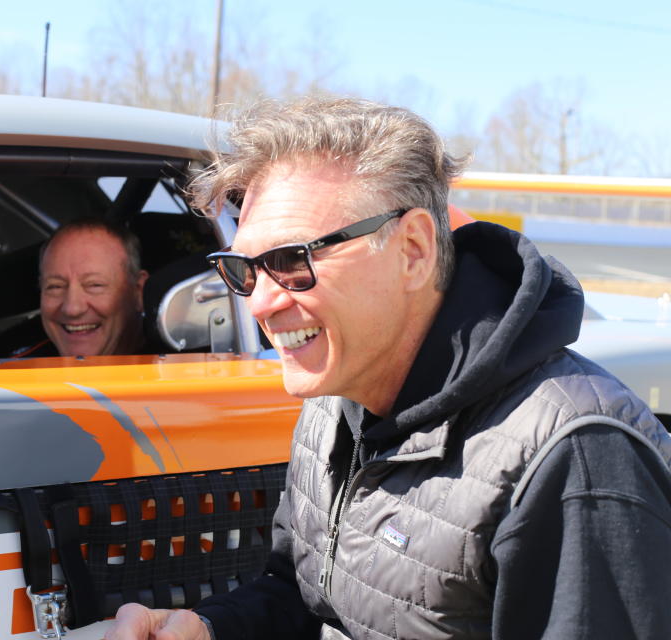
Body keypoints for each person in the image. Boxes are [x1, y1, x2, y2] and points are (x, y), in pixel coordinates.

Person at [104, 98, 671, 639]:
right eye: (246, 269)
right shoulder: (337, 395)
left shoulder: (574, 456)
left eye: (292, 261)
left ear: (414, 250)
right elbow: (306, 598)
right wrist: (210, 629)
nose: (259, 303)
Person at [38, 218, 149, 357]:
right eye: (55, 287)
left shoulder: (179, 365)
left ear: (139, 292)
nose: (72, 309)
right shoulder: (14, 366)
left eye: (94, 285)